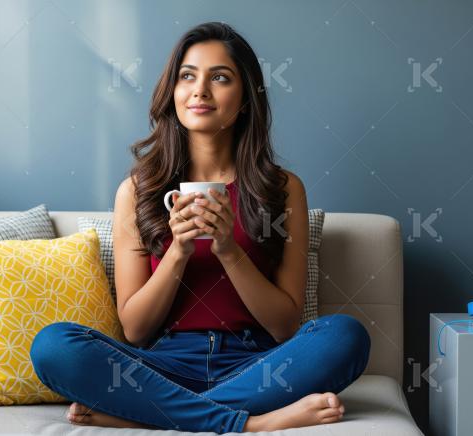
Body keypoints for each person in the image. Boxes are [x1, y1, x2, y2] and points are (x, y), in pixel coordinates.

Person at [29, 21, 371, 433]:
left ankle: (145, 416)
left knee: (345, 335)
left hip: (257, 365)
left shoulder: (283, 189)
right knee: (54, 346)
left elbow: (285, 326)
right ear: (172, 91)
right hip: (163, 365)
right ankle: (252, 424)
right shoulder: (137, 191)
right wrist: (178, 251)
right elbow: (136, 330)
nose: (200, 90)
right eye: (187, 76)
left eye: (221, 78)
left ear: (244, 99)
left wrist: (229, 249)